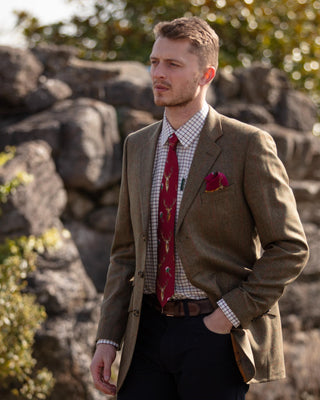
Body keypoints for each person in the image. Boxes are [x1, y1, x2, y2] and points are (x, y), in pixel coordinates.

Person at [90, 16, 309, 400]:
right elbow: (125, 252)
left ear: (206, 74)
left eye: (173, 65)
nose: (158, 73)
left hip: (214, 336)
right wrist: (107, 337)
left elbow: (290, 247)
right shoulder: (137, 146)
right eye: (155, 62)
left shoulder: (247, 145)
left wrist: (225, 317)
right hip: (145, 333)